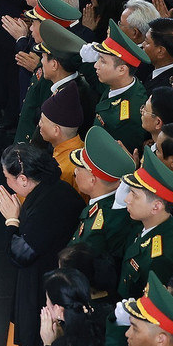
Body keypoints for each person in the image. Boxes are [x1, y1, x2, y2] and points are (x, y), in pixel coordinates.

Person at [0, 143, 85, 346]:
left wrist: (11, 220)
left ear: (23, 179)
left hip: (43, 288)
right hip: (51, 277)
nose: (6, 182)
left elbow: (20, 254)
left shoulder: (47, 206)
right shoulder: (54, 188)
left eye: (7, 177)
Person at [68, 125, 138, 296]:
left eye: (80, 168)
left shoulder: (108, 217)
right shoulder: (101, 205)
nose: (75, 172)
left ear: (92, 180)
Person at [118, 148, 173, 299]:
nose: (127, 199)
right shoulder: (153, 222)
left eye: (134, 195)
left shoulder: (160, 259)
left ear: (156, 207)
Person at [35, 268, 116, 346]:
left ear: (58, 309)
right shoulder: (109, 319)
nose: (46, 305)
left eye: (47, 300)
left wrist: (48, 345)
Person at [92, 19, 151, 152]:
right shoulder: (120, 83)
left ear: (122, 70)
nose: (96, 65)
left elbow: (120, 156)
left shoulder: (128, 118)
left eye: (102, 61)